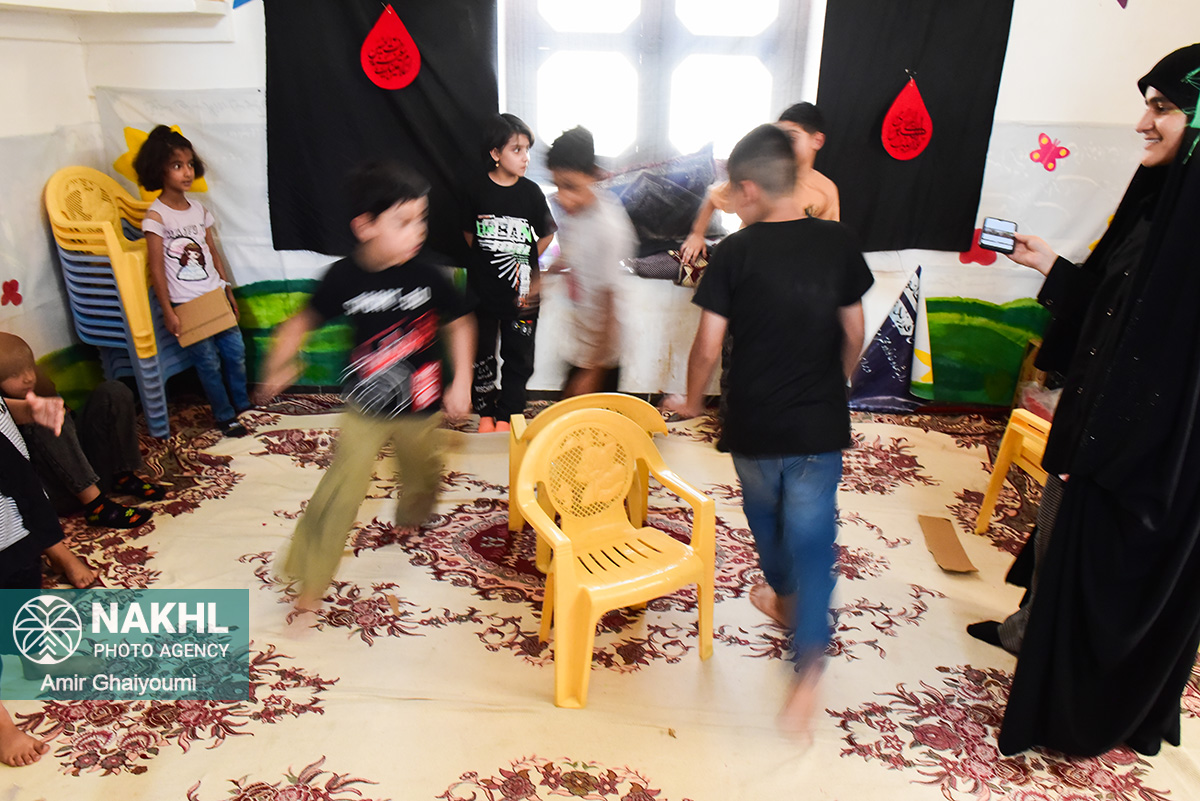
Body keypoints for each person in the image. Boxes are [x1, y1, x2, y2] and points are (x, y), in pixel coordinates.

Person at [980, 43, 1200, 758]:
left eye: (1163, 108)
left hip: (1139, 456)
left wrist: (1108, 446)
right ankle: (1028, 636)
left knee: (1096, 571)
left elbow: (1170, 361)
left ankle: (1076, 712)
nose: (1142, 122)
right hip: (1096, 425)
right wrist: (1050, 265)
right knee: (1055, 539)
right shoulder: (1160, 203)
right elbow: (1115, 309)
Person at [664, 124, 873, 736]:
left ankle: (781, 595)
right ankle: (807, 665)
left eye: (732, 192)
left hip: (754, 424)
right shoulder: (839, 241)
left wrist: (693, 401)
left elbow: (708, 345)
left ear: (749, 190)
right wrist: (837, 383)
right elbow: (854, 331)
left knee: (766, 521)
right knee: (814, 538)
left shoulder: (735, 252)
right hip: (818, 425)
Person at [256, 160, 474, 608]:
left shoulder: (428, 274)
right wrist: (279, 364)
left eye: (421, 219)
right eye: (404, 221)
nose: (418, 232)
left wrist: (462, 383)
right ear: (365, 226)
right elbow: (299, 323)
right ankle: (311, 579)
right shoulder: (344, 277)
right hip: (365, 406)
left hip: (420, 404)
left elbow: (461, 321)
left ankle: (412, 514)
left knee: (422, 474)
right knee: (341, 489)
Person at [135, 125, 252, 438]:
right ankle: (225, 416)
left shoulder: (199, 210)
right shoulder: (156, 217)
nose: (186, 172)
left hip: (214, 294)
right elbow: (156, 269)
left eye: (189, 164)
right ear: (158, 169)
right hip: (186, 304)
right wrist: (168, 311)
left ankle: (243, 405)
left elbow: (212, 253)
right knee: (208, 364)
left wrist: (227, 291)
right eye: (177, 165)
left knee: (235, 353)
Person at [0, 334, 164, 542]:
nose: (28, 378)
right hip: (52, 491)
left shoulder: (37, 384)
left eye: (28, 368)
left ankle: (122, 476)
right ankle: (97, 507)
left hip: (82, 470)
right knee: (49, 419)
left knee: (113, 391)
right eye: (15, 375)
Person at [462, 113, 557, 432]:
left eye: (527, 149)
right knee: (483, 355)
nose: (525, 157)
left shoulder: (531, 193)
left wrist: (525, 258)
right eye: (516, 149)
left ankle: (509, 412)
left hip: (522, 295)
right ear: (495, 153)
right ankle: (485, 412)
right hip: (482, 293)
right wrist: (490, 260)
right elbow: (470, 237)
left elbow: (547, 234)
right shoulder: (475, 189)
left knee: (519, 356)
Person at [679, 102, 840, 267]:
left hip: (792, 268)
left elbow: (828, 241)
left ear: (817, 140)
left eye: (791, 138)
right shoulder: (761, 176)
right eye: (779, 138)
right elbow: (714, 197)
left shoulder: (825, 190)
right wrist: (696, 235)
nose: (783, 146)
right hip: (748, 260)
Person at [0, 388, 67, 767]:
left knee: (23, 595)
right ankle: (2, 727)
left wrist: (28, 410)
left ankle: (35, 658)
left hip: (14, 522)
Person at [545, 126, 636, 397]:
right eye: (557, 186)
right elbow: (570, 254)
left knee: (591, 419)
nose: (563, 197)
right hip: (578, 345)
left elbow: (611, 304)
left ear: (594, 175)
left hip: (602, 357)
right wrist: (545, 277)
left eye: (571, 186)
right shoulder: (572, 215)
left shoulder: (609, 228)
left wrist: (592, 373)